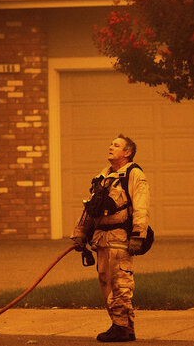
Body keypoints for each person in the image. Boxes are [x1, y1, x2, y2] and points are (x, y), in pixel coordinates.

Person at [71, 134, 149, 342]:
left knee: (121, 283)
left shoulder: (134, 174)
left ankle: (123, 327)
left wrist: (138, 235)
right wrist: (80, 234)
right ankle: (120, 325)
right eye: (110, 144)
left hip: (120, 238)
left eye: (116, 145)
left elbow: (141, 206)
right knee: (106, 283)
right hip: (101, 240)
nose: (111, 147)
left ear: (128, 152)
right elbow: (91, 210)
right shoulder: (103, 177)